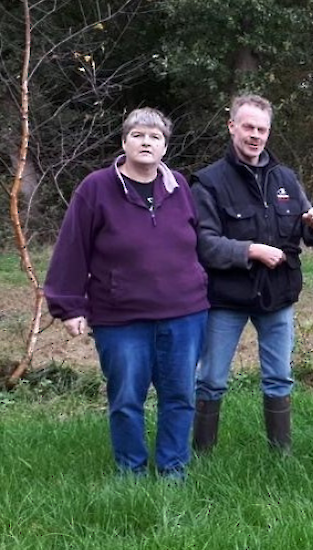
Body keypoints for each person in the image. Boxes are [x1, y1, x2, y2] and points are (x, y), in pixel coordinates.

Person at [44, 108, 209, 480]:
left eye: (155, 137)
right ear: (124, 142)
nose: (146, 142)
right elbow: (72, 249)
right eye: (138, 135)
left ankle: (173, 471)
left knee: (180, 398)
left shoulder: (179, 186)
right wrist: (68, 306)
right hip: (120, 318)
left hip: (184, 313)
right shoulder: (95, 188)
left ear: (165, 147)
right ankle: (131, 473)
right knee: (126, 400)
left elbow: (199, 241)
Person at [191, 94, 313, 454]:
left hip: (278, 295)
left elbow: (307, 234)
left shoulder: (285, 178)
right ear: (231, 126)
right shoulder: (208, 182)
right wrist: (250, 250)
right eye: (248, 127)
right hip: (227, 296)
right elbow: (204, 244)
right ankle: (202, 455)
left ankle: (280, 455)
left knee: (279, 376)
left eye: (262, 129)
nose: (255, 135)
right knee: (210, 379)